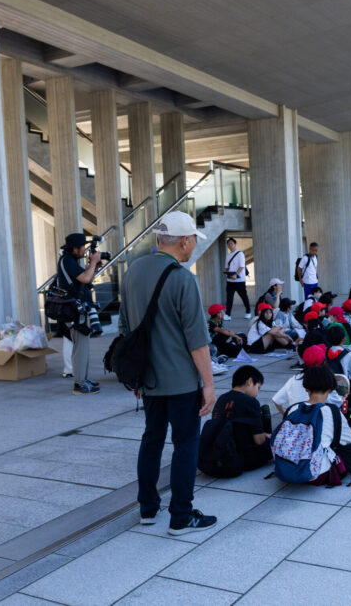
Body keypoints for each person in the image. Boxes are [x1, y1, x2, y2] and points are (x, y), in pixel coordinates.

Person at [120, 211, 217, 535]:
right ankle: (180, 515)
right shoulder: (182, 278)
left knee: (152, 439)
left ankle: (148, 509)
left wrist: (135, 375)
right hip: (181, 382)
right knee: (186, 443)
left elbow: (125, 328)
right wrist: (209, 385)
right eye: (192, 243)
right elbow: (197, 341)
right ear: (186, 241)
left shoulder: (132, 272)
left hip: (148, 379)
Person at [301, 366, 351, 474]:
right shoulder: (332, 412)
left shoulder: (293, 408)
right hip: (318, 470)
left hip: (290, 465)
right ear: (330, 389)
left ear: (306, 388)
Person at [54, 233, 104, 395]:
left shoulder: (70, 261)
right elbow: (84, 278)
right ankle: (80, 383)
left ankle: (83, 379)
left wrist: (94, 266)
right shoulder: (67, 261)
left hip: (78, 310)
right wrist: (94, 262)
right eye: (83, 247)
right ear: (75, 248)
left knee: (82, 346)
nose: (85, 250)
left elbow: (87, 279)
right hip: (75, 312)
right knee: (80, 348)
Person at [205, 365, 273, 473]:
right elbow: (259, 441)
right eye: (258, 388)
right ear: (250, 381)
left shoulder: (222, 398)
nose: (257, 393)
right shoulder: (251, 402)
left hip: (217, 451)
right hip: (239, 456)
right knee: (274, 442)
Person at [222, 237, 251, 320]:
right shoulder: (228, 255)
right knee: (229, 298)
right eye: (228, 244)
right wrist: (228, 273)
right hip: (230, 281)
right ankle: (228, 314)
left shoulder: (240, 254)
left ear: (235, 244)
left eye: (231, 243)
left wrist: (236, 274)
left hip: (240, 280)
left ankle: (248, 312)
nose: (230, 245)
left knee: (243, 296)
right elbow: (227, 267)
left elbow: (242, 266)